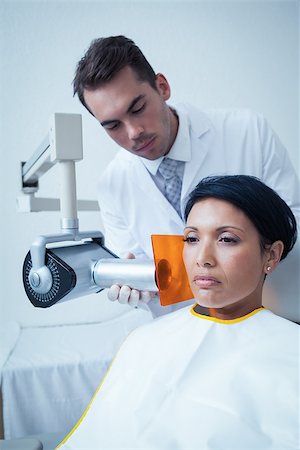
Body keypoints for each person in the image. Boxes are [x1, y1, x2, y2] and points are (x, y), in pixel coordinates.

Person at [57, 175, 299, 450]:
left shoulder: (292, 352)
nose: (202, 258)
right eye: (192, 238)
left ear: (271, 255)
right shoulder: (144, 340)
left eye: (227, 239)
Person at [73, 35, 300, 318]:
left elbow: (293, 225)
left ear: (162, 87)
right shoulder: (112, 186)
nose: (133, 132)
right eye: (112, 125)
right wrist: (135, 285)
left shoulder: (249, 132)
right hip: (183, 330)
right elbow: (136, 272)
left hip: (270, 316)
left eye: (138, 108)